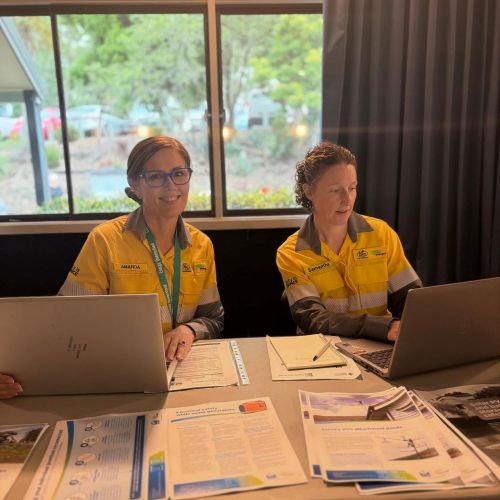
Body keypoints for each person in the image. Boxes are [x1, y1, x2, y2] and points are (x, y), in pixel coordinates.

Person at [1, 136, 224, 399]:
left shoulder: (202, 245)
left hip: (182, 377)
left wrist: (188, 330)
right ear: (135, 184)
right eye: (155, 177)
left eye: (179, 174)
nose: (171, 186)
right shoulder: (105, 240)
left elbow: (213, 319)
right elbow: (63, 324)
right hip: (118, 381)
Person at [276, 142, 422, 341]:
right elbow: (314, 320)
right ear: (309, 191)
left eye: (352, 188)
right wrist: (381, 327)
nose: (347, 199)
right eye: (335, 190)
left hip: (380, 345)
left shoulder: (381, 233)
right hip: (323, 354)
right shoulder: (291, 252)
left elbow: (412, 299)